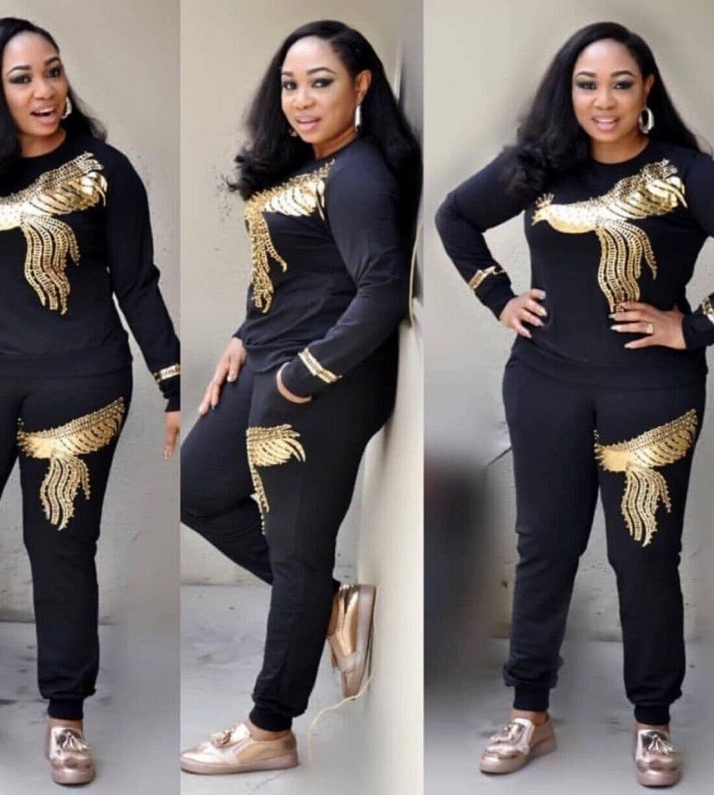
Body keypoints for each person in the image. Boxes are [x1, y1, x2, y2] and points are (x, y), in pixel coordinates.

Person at [436, 20, 714, 789]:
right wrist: (498, 296)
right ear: (568, 90)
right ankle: (530, 711)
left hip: (652, 391)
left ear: (646, 87)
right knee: (545, 548)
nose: (604, 100)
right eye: (587, 84)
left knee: (644, 558)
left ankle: (653, 721)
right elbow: (455, 217)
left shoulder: (686, 172)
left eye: (621, 83)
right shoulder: (539, 166)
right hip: (544, 384)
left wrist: (693, 327)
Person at [0, 17, 180, 786]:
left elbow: (137, 282)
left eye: (53, 70)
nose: (45, 90)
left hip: (79, 381)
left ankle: (67, 715)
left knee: (61, 549)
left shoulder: (104, 171)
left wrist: (172, 381)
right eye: (23, 77)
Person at [180, 19, 420, 775]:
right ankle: (332, 603)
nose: (302, 100)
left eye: (321, 83)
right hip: (270, 358)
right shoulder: (311, 163)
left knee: (295, 552)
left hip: (321, 384)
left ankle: (270, 727)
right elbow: (288, 271)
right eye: (291, 85)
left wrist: (303, 376)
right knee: (196, 487)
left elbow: (382, 290)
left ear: (362, 86)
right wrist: (245, 335)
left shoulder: (359, 177)